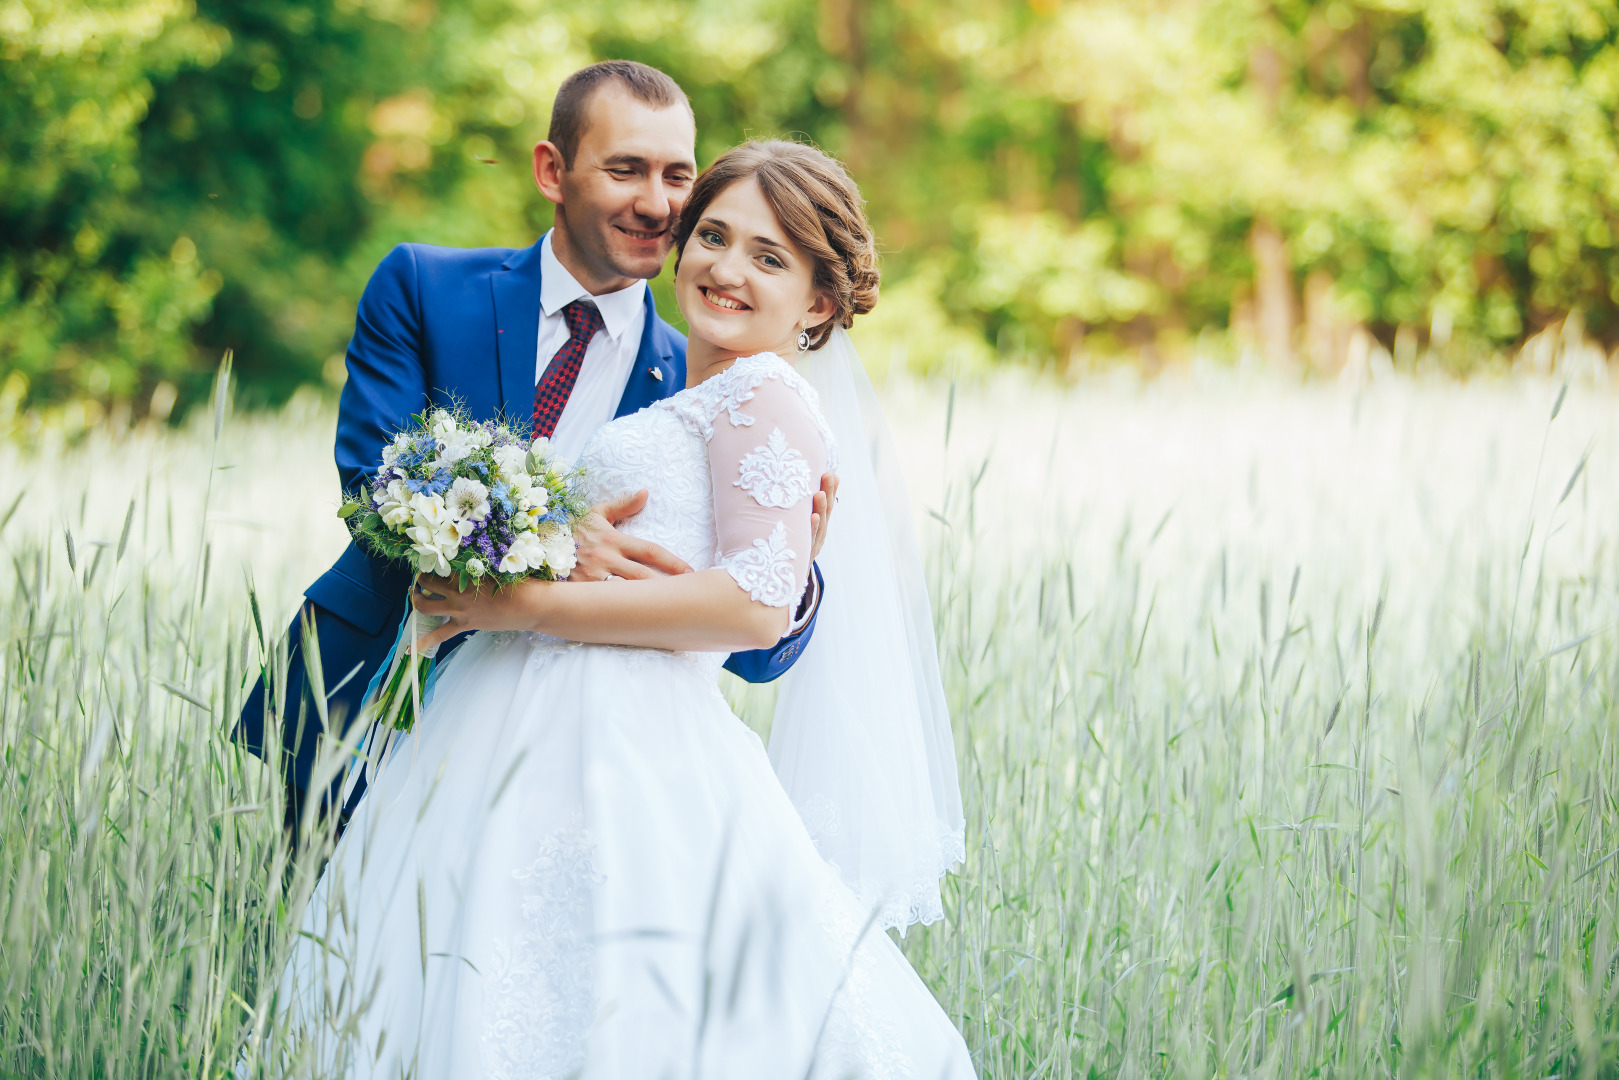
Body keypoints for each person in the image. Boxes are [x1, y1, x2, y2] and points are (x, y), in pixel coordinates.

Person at [271, 140, 972, 1078]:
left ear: (816, 302)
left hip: (630, 742)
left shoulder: (765, 396)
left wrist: (521, 605)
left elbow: (755, 614)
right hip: (509, 727)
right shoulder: (701, 386)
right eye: (714, 236)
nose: (726, 267)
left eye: (768, 257)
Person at [234, 61, 835, 840]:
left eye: (677, 177)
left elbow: (734, 641)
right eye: (626, 170)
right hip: (372, 689)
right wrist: (550, 535)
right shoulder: (422, 285)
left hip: (562, 759)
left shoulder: (703, 385)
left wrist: (791, 577)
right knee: (325, 943)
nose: (656, 204)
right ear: (553, 170)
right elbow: (374, 487)